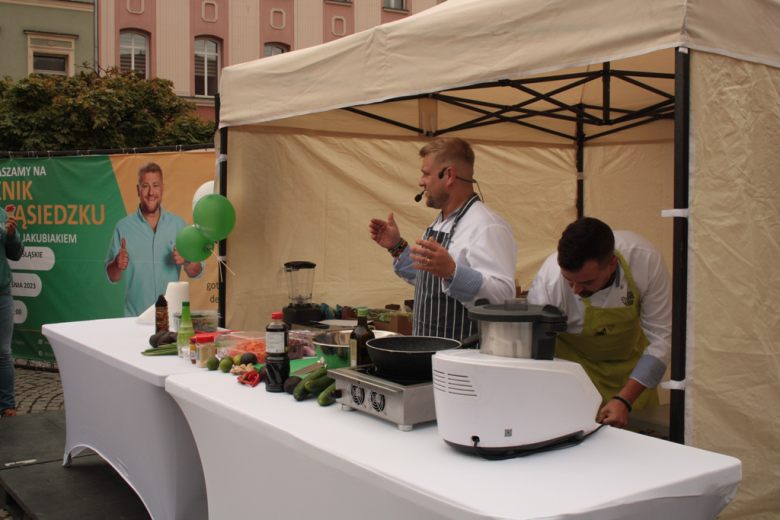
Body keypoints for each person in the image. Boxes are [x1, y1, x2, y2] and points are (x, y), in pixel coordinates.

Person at [527, 217, 672, 428]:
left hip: (631, 371)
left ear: (612, 264)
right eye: (569, 280)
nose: (576, 290)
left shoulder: (646, 261)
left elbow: (663, 339)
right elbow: (534, 351)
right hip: (574, 371)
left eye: (587, 281)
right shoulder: (549, 282)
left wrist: (625, 399)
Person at [369, 138, 517, 341]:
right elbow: (428, 281)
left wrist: (453, 272)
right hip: (427, 354)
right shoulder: (438, 224)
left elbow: (503, 298)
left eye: (426, 173)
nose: (421, 181)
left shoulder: (487, 227)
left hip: (462, 361)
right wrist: (397, 247)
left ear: (449, 175)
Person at [105, 162, 204, 317]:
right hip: (135, 319)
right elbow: (112, 277)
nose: (151, 192)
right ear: (138, 190)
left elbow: (195, 272)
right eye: (145, 186)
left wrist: (187, 259)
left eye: (155, 185)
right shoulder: (123, 227)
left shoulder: (178, 225)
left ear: (162, 189)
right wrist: (117, 265)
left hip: (171, 318)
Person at [0, 205, 23, 417]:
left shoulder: (1, 214)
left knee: (4, 353)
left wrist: (12, 235)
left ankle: (7, 406)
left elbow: (16, 254)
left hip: (2, 295)